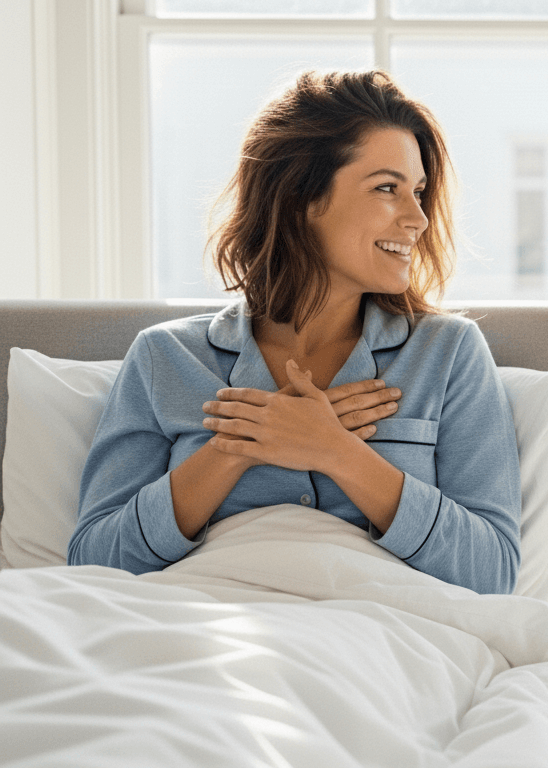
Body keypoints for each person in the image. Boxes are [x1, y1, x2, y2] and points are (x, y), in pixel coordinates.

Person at [68, 70, 521, 594]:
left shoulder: (448, 354)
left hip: (384, 643)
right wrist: (238, 446)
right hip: (204, 635)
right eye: (387, 189)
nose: (418, 218)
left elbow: (492, 573)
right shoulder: (163, 357)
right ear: (302, 196)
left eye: (418, 192)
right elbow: (94, 562)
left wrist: (335, 450)